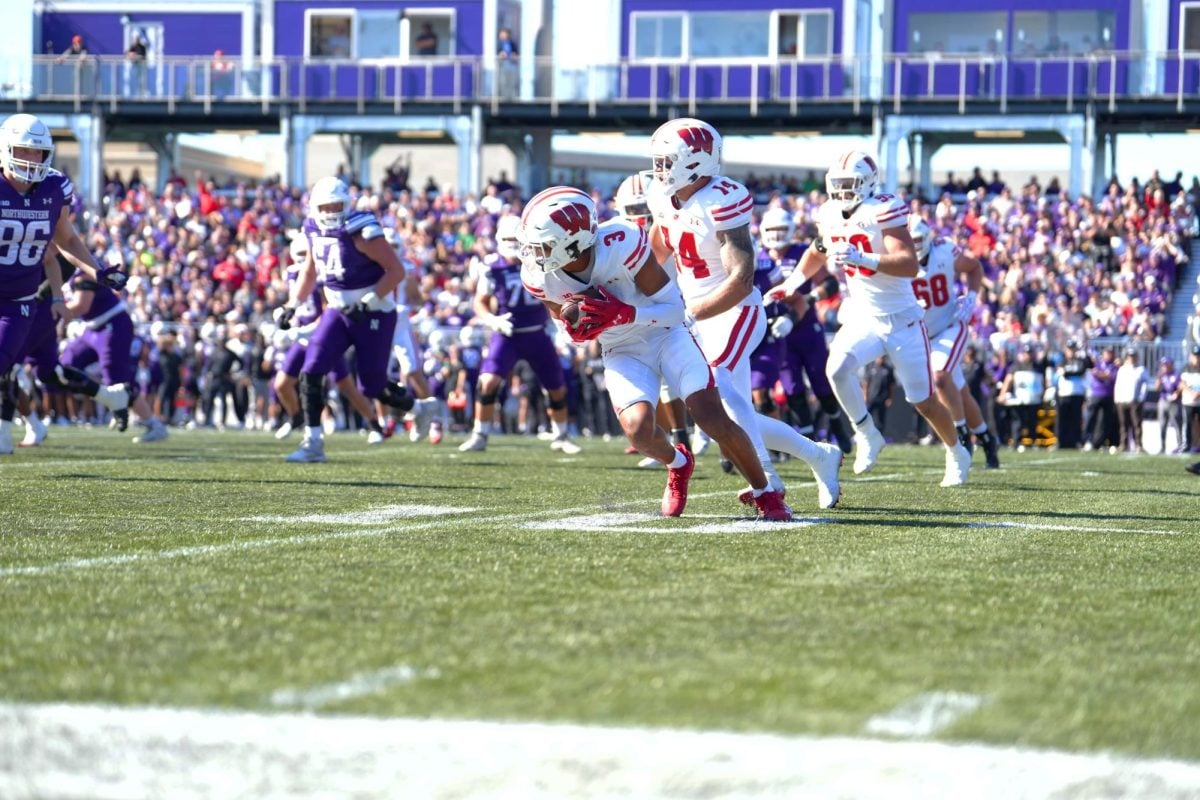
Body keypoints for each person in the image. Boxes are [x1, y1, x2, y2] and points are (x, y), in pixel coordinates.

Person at [517, 185, 791, 520]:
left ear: (572, 241)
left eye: (542, 244)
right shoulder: (537, 275)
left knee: (710, 416)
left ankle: (766, 493)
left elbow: (675, 310)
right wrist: (574, 329)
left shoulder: (621, 242)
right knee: (637, 430)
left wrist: (625, 313)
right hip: (621, 347)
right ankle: (679, 464)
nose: (534, 253)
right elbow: (565, 325)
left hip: (666, 333)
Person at [645, 117, 843, 510]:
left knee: (721, 389)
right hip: (694, 312)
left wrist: (693, 310)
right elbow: (657, 251)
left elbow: (740, 277)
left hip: (734, 309)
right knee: (723, 407)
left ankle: (767, 479)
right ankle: (819, 455)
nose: (660, 169)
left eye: (668, 160)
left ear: (696, 162)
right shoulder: (661, 196)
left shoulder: (722, 198)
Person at [776, 149, 971, 487]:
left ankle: (957, 452)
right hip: (865, 316)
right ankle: (866, 432)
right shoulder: (829, 212)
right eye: (837, 184)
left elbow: (909, 264)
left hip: (903, 320)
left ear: (867, 182)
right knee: (836, 369)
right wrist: (792, 283)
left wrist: (862, 257)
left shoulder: (883, 208)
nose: (842, 191)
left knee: (923, 401)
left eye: (850, 183)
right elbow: (817, 250)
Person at [277, 176, 437, 463]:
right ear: (314, 207)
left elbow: (396, 271)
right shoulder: (312, 229)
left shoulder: (361, 231)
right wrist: (292, 304)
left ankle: (417, 408)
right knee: (311, 371)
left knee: (371, 386)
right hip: (337, 310)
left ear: (347, 204)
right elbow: (311, 271)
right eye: (324, 207)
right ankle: (313, 442)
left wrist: (370, 300)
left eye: (335, 205)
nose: (330, 212)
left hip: (374, 312)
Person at [0, 113, 127, 454]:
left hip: (18, 303)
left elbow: (67, 241)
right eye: (24, 151)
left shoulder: (54, 188)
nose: (31, 159)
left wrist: (97, 271)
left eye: (37, 153)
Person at [458, 214, 581, 455]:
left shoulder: (541, 260)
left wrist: (560, 327)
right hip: (507, 333)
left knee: (556, 386)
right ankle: (480, 434)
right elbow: (479, 302)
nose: (513, 245)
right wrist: (492, 320)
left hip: (536, 333)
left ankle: (561, 434)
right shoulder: (492, 267)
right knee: (488, 381)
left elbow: (557, 297)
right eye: (507, 239)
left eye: (516, 239)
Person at [759, 207, 852, 454]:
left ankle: (836, 425)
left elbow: (830, 284)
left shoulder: (802, 252)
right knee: (792, 389)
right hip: (777, 332)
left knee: (821, 384)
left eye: (781, 230)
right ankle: (810, 441)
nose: (777, 236)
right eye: (772, 230)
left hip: (807, 328)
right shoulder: (758, 257)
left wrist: (808, 299)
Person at [908, 217, 1000, 468]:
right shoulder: (898, 260)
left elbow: (974, 267)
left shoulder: (944, 251)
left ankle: (961, 436)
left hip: (951, 324)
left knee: (940, 378)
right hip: (923, 335)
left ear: (927, 239)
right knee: (958, 390)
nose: (914, 246)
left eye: (918, 240)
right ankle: (986, 438)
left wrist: (971, 297)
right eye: (910, 240)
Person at [614, 171, 692, 466]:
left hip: (685, 311)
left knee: (698, 381)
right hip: (647, 316)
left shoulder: (671, 231)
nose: (639, 217)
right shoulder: (617, 240)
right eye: (632, 210)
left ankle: (709, 437)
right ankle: (678, 441)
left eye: (643, 209)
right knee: (660, 384)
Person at [60, 267, 170, 443]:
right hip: (91, 327)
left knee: (117, 384)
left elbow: (81, 305)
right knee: (65, 365)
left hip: (111, 325)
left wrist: (53, 308)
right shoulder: (57, 267)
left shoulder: (83, 271)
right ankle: (114, 404)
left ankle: (154, 425)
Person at [1054, 339, 1092, 449]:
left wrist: (1067, 372)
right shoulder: (1062, 361)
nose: (1071, 351)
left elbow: (1081, 370)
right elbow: (1061, 373)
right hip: (1063, 393)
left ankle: (1076, 441)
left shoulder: (1081, 361)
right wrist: (1069, 373)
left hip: (1077, 393)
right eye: (1069, 349)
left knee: (1076, 419)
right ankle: (1061, 441)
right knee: (1062, 419)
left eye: (1073, 349)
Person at [1083, 345, 1119, 452]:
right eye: (1107, 353)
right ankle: (1087, 440)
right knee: (1091, 418)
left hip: (1108, 395)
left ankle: (1101, 442)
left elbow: (1112, 377)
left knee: (1106, 420)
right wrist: (1104, 375)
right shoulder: (1098, 364)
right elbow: (1095, 374)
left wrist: (1102, 374)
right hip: (1096, 394)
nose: (1109, 355)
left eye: (1110, 353)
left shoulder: (1114, 366)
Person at [1114, 349, 1148, 453]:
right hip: (1122, 400)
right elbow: (1118, 384)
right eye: (1129, 356)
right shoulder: (1122, 369)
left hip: (1134, 400)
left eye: (1133, 356)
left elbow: (1144, 385)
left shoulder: (1141, 369)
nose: (1131, 359)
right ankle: (1123, 444)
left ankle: (1138, 444)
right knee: (1123, 424)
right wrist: (1116, 398)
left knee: (1136, 424)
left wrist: (1141, 398)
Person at [496, 27, 519, 98]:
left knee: (512, 81)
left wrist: (513, 55)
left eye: (503, 34)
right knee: (503, 81)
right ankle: (503, 96)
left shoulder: (512, 43)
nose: (501, 35)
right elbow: (497, 53)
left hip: (511, 65)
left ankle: (512, 97)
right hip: (503, 66)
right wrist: (501, 55)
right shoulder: (499, 44)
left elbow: (516, 53)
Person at [125, 32, 148, 97]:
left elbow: (144, 56)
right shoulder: (132, 46)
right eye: (135, 39)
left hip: (141, 66)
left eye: (137, 38)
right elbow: (128, 55)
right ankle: (132, 94)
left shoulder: (142, 47)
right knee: (133, 79)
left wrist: (137, 56)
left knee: (142, 80)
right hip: (134, 65)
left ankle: (142, 94)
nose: (136, 40)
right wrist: (133, 56)